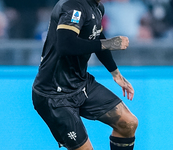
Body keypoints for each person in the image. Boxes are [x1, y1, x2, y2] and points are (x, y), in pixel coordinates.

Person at [32, 0, 138, 150]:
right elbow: (66, 45)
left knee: (128, 122)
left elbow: (97, 36)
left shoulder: (97, 7)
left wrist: (116, 73)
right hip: (53, 94)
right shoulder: (72, 6)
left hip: (80, 83)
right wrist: (109, 43)